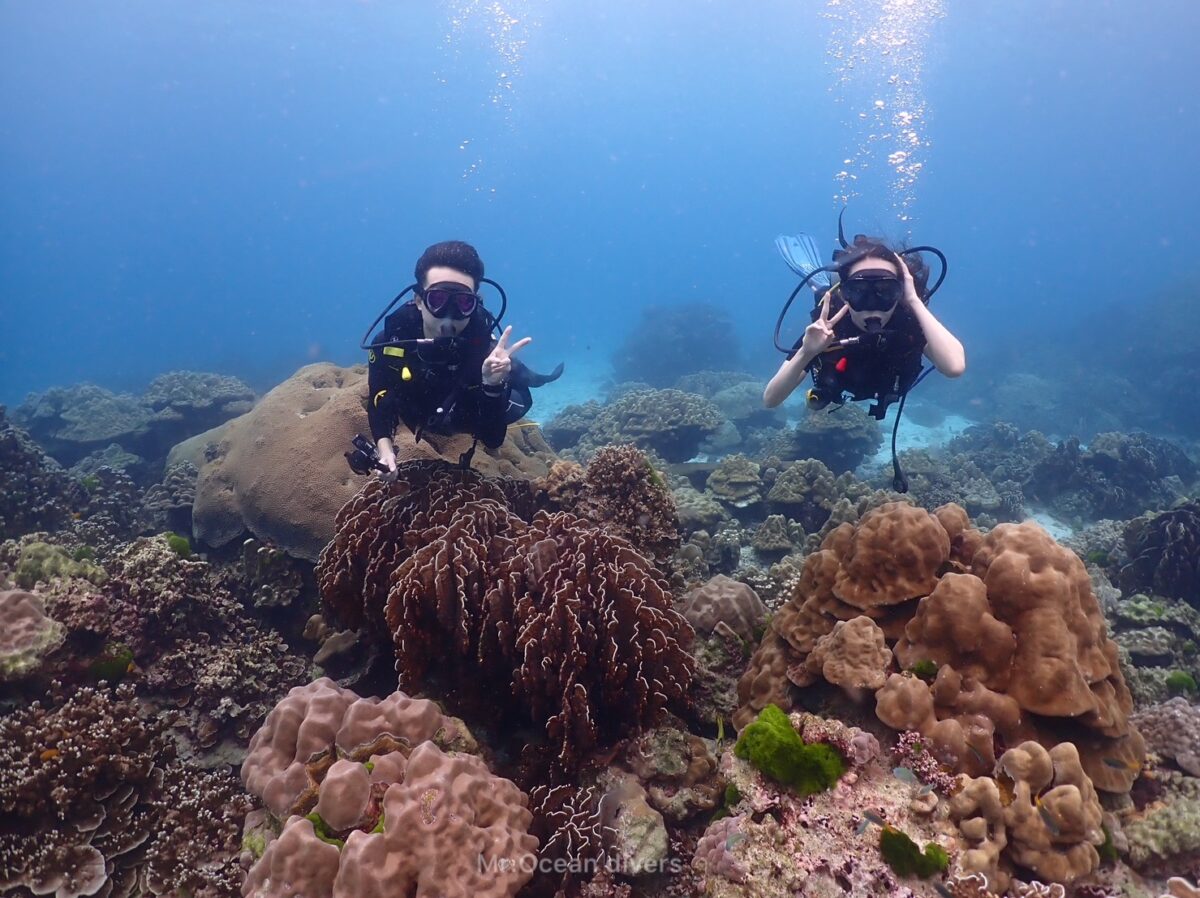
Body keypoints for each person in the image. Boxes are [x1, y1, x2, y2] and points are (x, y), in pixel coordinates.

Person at [764, 225, 965, 490]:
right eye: (858, 292)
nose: (872, 304)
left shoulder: (908, 321)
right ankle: (823, 286)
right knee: (822, 295)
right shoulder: (828, 328)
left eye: (885, 291)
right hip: (840, 369)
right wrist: (807, 351)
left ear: (901, 292)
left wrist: (914, 302)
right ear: (845, 292)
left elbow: (954, 366)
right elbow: (771, 398)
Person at [364, 240, 561, 479]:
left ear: (475, 303)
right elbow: (378, 398)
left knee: (516, 381)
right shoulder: (390, 342)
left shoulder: (484, 351)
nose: (449, 318)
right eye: (437, 300)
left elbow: (492, 439)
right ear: (418, 301)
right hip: (419, 407)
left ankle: (536, 378)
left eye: (463, 303)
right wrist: (385, 452)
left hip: (466, 407)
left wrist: (492, 385)